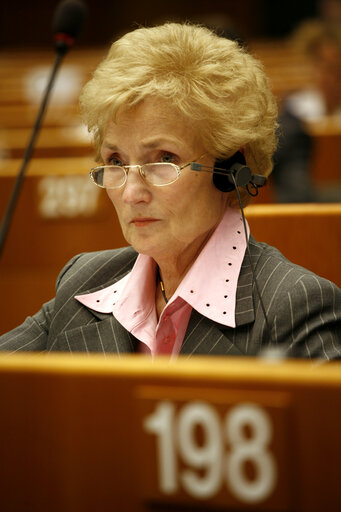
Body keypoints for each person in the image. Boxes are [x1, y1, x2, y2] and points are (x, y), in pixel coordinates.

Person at [0, 23, 340, 358]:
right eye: (116, 161)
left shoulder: (295, 310)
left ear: (229, 170)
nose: (132, 193)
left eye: (163, 159)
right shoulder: (83, 282)